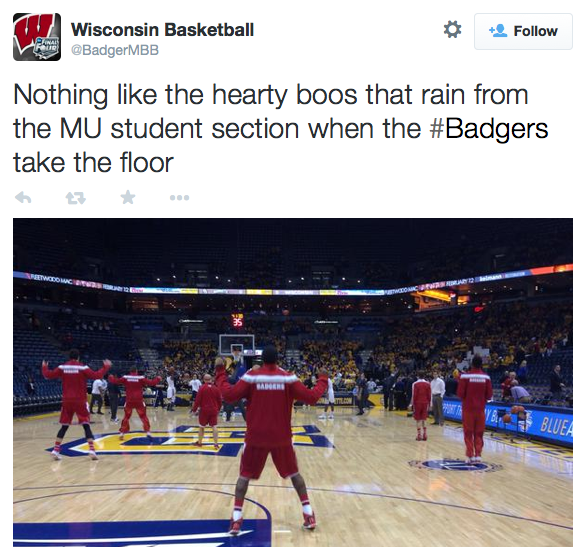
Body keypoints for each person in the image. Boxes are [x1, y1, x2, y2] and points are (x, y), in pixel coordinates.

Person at [215, 346, 327, 535]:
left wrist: (220, 372)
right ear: (277, 359)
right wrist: (323, 379)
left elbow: (229, 395)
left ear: (261, 360)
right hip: (281, 438)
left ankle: (236, 519)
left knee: (244, 477)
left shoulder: (252, 376)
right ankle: (308, 514)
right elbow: (312, 397)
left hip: (256, 438)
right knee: (295, 474)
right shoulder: (288, 378)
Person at [41, 350, 111, 461]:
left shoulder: (62, 367)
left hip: (67, 400)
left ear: (69, 357)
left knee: (64, 426)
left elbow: (48, 375)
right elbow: (97, 375)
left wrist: (44, 367)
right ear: (78, 357)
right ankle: (91, 450)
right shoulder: (82, 367)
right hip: (80, 400)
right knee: (86, 425)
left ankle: (56, 449)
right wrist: (106, 366)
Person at [457, 355, 493, 464]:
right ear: (481, 364)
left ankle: (470, 455)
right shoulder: (486, 377)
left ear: (471, 364)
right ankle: (478, 455)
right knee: (479, 433)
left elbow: (460, 394)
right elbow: (489, 396)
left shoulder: (465, 377)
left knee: (468, 433)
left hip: (468, 409)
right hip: (480, 409)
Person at [109, 367, 161, 439]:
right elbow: (151, 383)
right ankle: (148, 432)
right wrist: (158, 379)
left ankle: (122, 433)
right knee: (143, 416)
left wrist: (111, 377)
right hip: (139, 400)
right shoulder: (141, 378)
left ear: (130, 371)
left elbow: (115, 381)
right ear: (136, 371)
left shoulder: (126, 377)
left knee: (126, 417)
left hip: (129, 400)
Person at [192, 372, 222, 449]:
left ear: (204, 380)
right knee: (214, 426)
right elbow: (220, 400)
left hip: (204, 410)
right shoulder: (216, 388)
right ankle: (216, 444)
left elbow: (197, 400)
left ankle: (199, 443)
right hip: (214, 410)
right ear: (211, 379)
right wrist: (218, 409)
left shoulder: (201, 388)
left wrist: (194, 409)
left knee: (202, 427)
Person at [410, 373, 431, 441]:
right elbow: (429, 395)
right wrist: (430, 404)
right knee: (424, 419)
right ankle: (425, 435)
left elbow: (414, 395)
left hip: (417, 403)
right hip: (425, 403)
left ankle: (419, 435)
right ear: (424, 376)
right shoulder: (428, 384)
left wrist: (411, 404)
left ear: (418, 376)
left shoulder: (415, 384)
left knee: (418, 419)